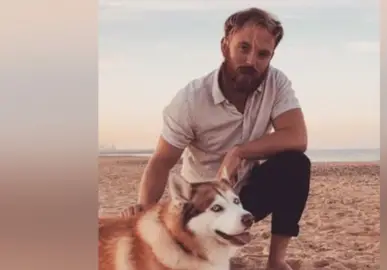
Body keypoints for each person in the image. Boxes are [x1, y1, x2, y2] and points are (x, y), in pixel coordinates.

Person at [121, 7, 311, 270]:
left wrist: (239, 152)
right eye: (243, 48)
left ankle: (276, 261)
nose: (251, 61)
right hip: (201, 203)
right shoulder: (191, 100)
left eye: (262, 54)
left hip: (244, 195)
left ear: (271, 56)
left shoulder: (276, 83)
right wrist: (143, 210)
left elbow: (297, 136)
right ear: (225, 47)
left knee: (296, 164)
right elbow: (162, 161)